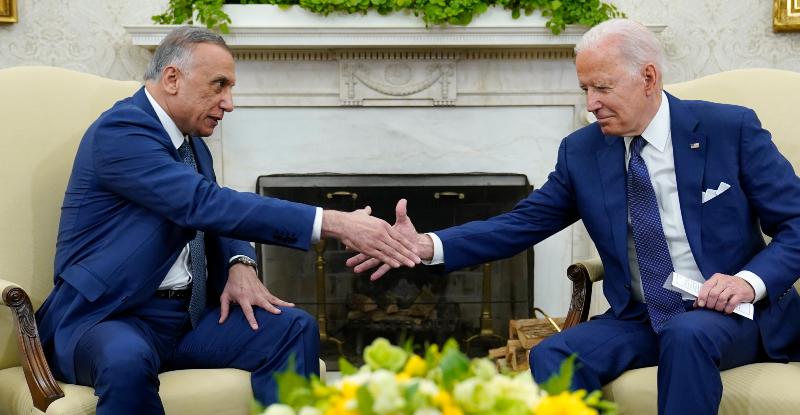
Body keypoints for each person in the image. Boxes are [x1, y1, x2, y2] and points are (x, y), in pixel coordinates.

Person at [348, 19, 800, 414]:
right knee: (555, 356)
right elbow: (520, 224)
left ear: (648, 77)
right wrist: (427, 246)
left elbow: (795, 224)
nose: (591, 104)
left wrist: (748, 281)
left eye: (602, 87)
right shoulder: (583, 152)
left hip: (735, 312)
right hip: (640, 316)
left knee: (686, 335)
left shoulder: (729, 130)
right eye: (585, 89)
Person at [34, 26, 421, 415]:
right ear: (172, 78)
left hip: (184, 319)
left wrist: (240, 262)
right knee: (126, 359)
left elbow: (218, 217)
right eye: (219, 85)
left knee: (293, 328)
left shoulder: (192, 147)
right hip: (108, 317)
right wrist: (334, 222)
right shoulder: (122, 132)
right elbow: (203, 204)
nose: (229, 103)